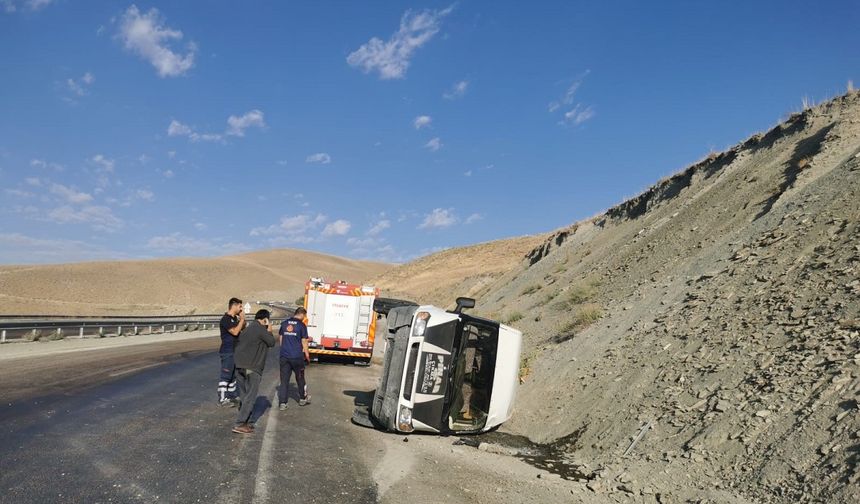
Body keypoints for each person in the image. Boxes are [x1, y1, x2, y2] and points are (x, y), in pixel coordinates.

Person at [232, 309, 276, 434]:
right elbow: (272, 343)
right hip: (252, 367)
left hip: (239, 365)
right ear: (265, 319)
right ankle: (239, 424)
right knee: (250, 397)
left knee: (244, 396)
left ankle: (247, 422)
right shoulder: (261, 330)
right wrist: (269, 330)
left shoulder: (246, 330)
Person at [277, 307, 311, 410]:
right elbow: (304, 341)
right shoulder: (301, 325)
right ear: (302, 314)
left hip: (285, 357)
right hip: (297, 357)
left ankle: (283, 403)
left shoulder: (284, 323)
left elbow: (281, 339)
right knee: (300, 378)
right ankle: (302, 398)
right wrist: (307, 355)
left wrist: (283, 351)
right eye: (304, 316)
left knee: (284, 381)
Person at [217, 297, 246, 406]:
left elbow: (243, 328)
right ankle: (222, 398)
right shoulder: (226, 319)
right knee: (226, 375)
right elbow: (234, 332)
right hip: (227, 351)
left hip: (235, 351)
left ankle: (232, 396)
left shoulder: (235, 319)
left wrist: (242, 319)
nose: (241, 308)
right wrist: (241, 320)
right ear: (234, 306)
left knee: (234, 375)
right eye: (240, 306)